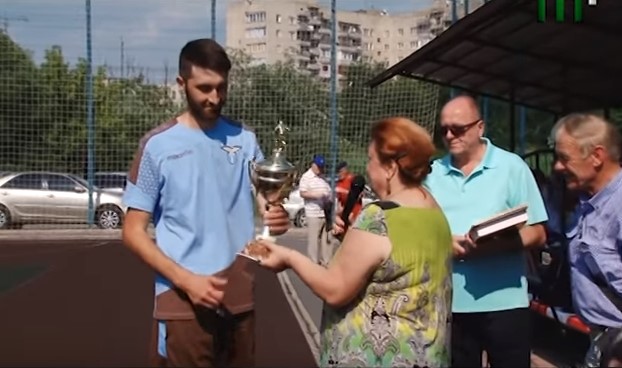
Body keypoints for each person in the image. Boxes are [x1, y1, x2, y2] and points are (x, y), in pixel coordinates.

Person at [121, 38, 290, 367]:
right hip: (182, 300)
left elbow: (264, 201)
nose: (215, 97)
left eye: (222, 87)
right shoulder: (157, 146)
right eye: (205, 88)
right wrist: (187, 280)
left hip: (239, 296)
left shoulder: (245, 139)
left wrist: (275, 214)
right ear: (182, 84)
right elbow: (132, 232)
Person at [254, 117, 453, 367]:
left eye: (372, 160)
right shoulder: (434, 211)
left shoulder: (379, 217)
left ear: (391, 167)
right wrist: (349, 239)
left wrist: (289, 257)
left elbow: (335, 289)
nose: (367, 169)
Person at [424, 95, 548, 368]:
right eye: (443, 129)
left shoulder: (512, 167)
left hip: (505, 303)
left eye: (457, 128)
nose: (449, 135)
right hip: (449, 304)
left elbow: (537, 232)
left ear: (480, 127)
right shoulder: (431, 173)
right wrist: (444, 244)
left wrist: (491, 247)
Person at [551, 113, 622, 367]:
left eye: (564, 158)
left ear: (597, 156)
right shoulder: (587, 204)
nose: (557, 167)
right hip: (602, 342)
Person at [298, 154, 332, 265]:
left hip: (325, 212)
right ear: (313, 165)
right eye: (318, 166)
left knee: (326, 239)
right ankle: (313, 262)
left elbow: (329, 191)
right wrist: (316, 195)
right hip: (313, 212)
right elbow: (303, 193)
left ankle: (326, 261)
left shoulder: (323, 178)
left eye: (321, 167)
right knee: (314, 240)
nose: (320, 169)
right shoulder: (306, 177)